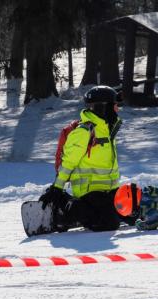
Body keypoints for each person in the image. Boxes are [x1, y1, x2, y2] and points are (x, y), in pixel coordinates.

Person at [39, 85, 127, 232]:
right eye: (115, 105)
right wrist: (57, 188)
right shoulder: (84, 132)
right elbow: (68, 164)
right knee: (108, 224)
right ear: (103, 107)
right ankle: (65, 206)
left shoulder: (108, 131)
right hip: (88, 192)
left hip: (109, 191)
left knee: (130, 212)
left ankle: (92, 213)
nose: (117, 109)